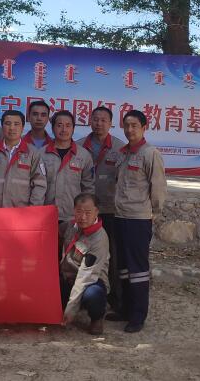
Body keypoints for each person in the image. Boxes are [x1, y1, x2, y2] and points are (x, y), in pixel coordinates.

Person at [106, 110, 168, 333]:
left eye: (134, 125)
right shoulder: (122, 154)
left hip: (138, 219)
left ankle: (138, 315)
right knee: (122, 267)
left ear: (144, 127)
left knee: (138, 269)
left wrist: (153, 213)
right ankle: (124, 309)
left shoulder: (150, 154)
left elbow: (158, 187)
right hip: (120, 216)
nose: (130, 130)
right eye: (126, 125)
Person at [77, 106, 124, 311]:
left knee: (112, 255)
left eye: (104, 120)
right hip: (85, 213)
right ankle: (82, 297)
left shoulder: (120, 148)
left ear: (111, 123)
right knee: (82, 254)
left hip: (109, 209)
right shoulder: (79, 146)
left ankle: (113, 298)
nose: (99, 123)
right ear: (90, 121)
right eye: (95, 119)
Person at [60, 193, 110, 336]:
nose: (83, 217)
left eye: (88, 213)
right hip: (68, 278)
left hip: (90, 281)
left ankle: (97, 317)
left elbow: (85, 277)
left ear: (96, 212)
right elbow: (52, 231)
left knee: (93, 294)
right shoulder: (70, 226)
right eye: (79, 212)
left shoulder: (99, 238)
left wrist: (70, 310)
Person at [41, 111, 95, 224]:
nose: (64, 129)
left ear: (73, 129)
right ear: (53, 128)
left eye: (68, 125)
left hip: (73, 216)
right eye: (59, 125)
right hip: (46, 215)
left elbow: (88, 188)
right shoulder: (41, 154)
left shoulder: (83, 155)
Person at [0, 110, 47, 208]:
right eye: (7, 124)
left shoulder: (33, 153)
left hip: (20, 212)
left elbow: (40, 184)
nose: (12, 128)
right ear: (2, 126)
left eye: (16, 124)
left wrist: (32, 210)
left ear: (23, 127)